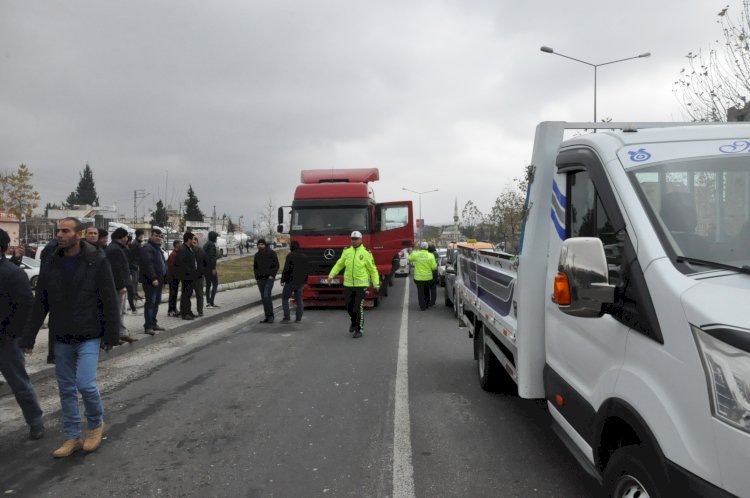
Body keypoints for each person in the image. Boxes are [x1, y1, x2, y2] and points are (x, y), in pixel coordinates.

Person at [21, 217, 119, 458]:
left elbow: (109, 298)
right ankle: (73, 435)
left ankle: (96, 425)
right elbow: (40, 302)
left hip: (89, 333)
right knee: (65, 388)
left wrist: (111, 334)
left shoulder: (96, 260)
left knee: (85, 384)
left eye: (65, 231)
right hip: (62, 334)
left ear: (79, 234)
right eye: (58, 231)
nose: (60, 235)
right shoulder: (51, 261)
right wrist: (29, 338)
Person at [0, 228, 45, 440]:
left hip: (8, 341)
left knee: (19, 384)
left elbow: (27, 306)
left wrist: (16, 334)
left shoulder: (12, 273)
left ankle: (35, 421)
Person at [326, 230, 379, 338]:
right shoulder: (346, 251)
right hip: (348, 285)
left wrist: (376, 284)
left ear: (361, 240)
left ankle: (359, 329)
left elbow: (373, 269)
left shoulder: (366, 253)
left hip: (361, 285)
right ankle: (354, 322)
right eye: (352, 239)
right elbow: (339, 264)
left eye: (356, 239)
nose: (353, 241)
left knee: (357, 307)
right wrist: (331, 275)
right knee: (349, 306)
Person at [105, 228, 138, 344]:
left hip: (121, 284)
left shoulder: (118, 248)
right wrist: (121, 285)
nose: (127, 239)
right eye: (126, 236)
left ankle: (122, 333)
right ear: (121, 237)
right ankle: (117, 335)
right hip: (118, 286)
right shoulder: (115, 250)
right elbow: (116, 269)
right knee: (118, 311)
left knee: (122, 310)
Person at [138, 228, 167, 334]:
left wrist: (163, 278)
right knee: (151, 303)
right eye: (156, 235)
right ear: (151, 236)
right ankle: (148, 326)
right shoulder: (147, 248)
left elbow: (162, 264)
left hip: (158, 281)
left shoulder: (157, 248)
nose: (158, 237)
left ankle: (153, 323)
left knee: (156, 303)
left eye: (159, 236)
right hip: (150, 281)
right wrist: (154, 278)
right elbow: (148, 265)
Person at [280, 240, 309, 323]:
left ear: (291, 247)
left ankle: (287, 317)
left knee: (285, 298)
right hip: (300, 282)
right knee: (299, 300)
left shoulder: (290, 256)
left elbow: (286, 269)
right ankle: (298, 318)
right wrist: (305, 281)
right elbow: (306, 270)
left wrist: (283, 279)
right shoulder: (304, 256)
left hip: (290, 281)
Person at [254, 238, 279, 323]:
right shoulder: (257, 255)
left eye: (262, 244)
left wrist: (272, 275)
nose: (260, 246)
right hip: (260, 279)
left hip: (269, 279)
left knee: (266, 296)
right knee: (264, 298)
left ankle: (271, 315)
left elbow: (276, 265)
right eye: (259, 244)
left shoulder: (271, 253)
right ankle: (267, 316)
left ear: (265, 245)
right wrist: (256, 277)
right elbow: (255, 267)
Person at [175, 232, 199, 320]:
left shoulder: (189, 248)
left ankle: (188, 311)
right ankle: (185, 313)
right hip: (186, 276)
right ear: (189, 239)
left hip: (191, 276)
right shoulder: (183, 249)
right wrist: (189, 272)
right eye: (192, 239)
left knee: (188, 295)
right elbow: (181, 263)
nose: (194, 241)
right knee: (185, 295)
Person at [409, 242, 437, 311]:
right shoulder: (431, 256)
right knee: (426, 290)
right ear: (427, 248)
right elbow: (434, 267)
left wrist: (413, 253)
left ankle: (422, 306)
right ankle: (427, 303)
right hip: (428, 278)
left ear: (420, 247)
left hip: (418, 278)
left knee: (420, 292)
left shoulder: (416, 254)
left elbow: (409, 258)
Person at [166, 240, 182, 317]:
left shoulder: (177, 254)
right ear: (176, 245)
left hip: (176, 277)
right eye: (179, 244)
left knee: (174, 294)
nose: (181, 245)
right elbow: (171, 267)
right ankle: (171, 310)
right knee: (172, 294)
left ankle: (174, 308)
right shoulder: (173, 255)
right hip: (173, 278)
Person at [204, 231, 220, 308]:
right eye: (216, 237)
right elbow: (212, 257)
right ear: (214, 237)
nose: (217, 239)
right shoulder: (211, 245)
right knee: (215, 284)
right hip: (210, 268)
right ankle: (211, 302)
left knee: (208, 285)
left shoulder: (206, 244)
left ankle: (208, 302)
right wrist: (213, 268)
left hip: (205, 268)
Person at [427, 243, 439, 307]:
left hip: (428, 272)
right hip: (435, 272)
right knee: (433, 288)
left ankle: (428, 300)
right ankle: (433, 301)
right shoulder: (436, 254)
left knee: (427, 288)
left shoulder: (428, 254)